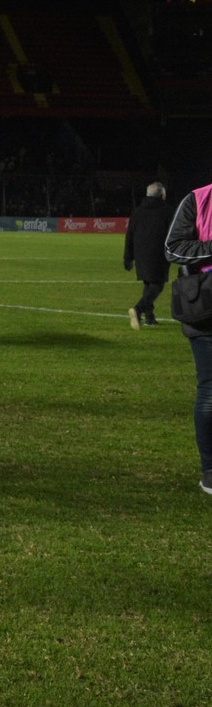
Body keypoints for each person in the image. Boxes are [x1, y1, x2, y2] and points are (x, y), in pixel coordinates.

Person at [165, 182, 212, 492]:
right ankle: (210, 469)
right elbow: (173, 247)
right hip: (208, 309)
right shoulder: (198, 199)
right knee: (211, 389)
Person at [125, 182, 171, 329]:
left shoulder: (137, 212)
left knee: (148, 283)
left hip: (140, 253)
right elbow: (173, 233)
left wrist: (128, 257)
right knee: (157, 285)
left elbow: (129, 235)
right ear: (162, 195)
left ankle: (150, 318)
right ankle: (138, 309)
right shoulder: (168, 211)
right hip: (158, 253)